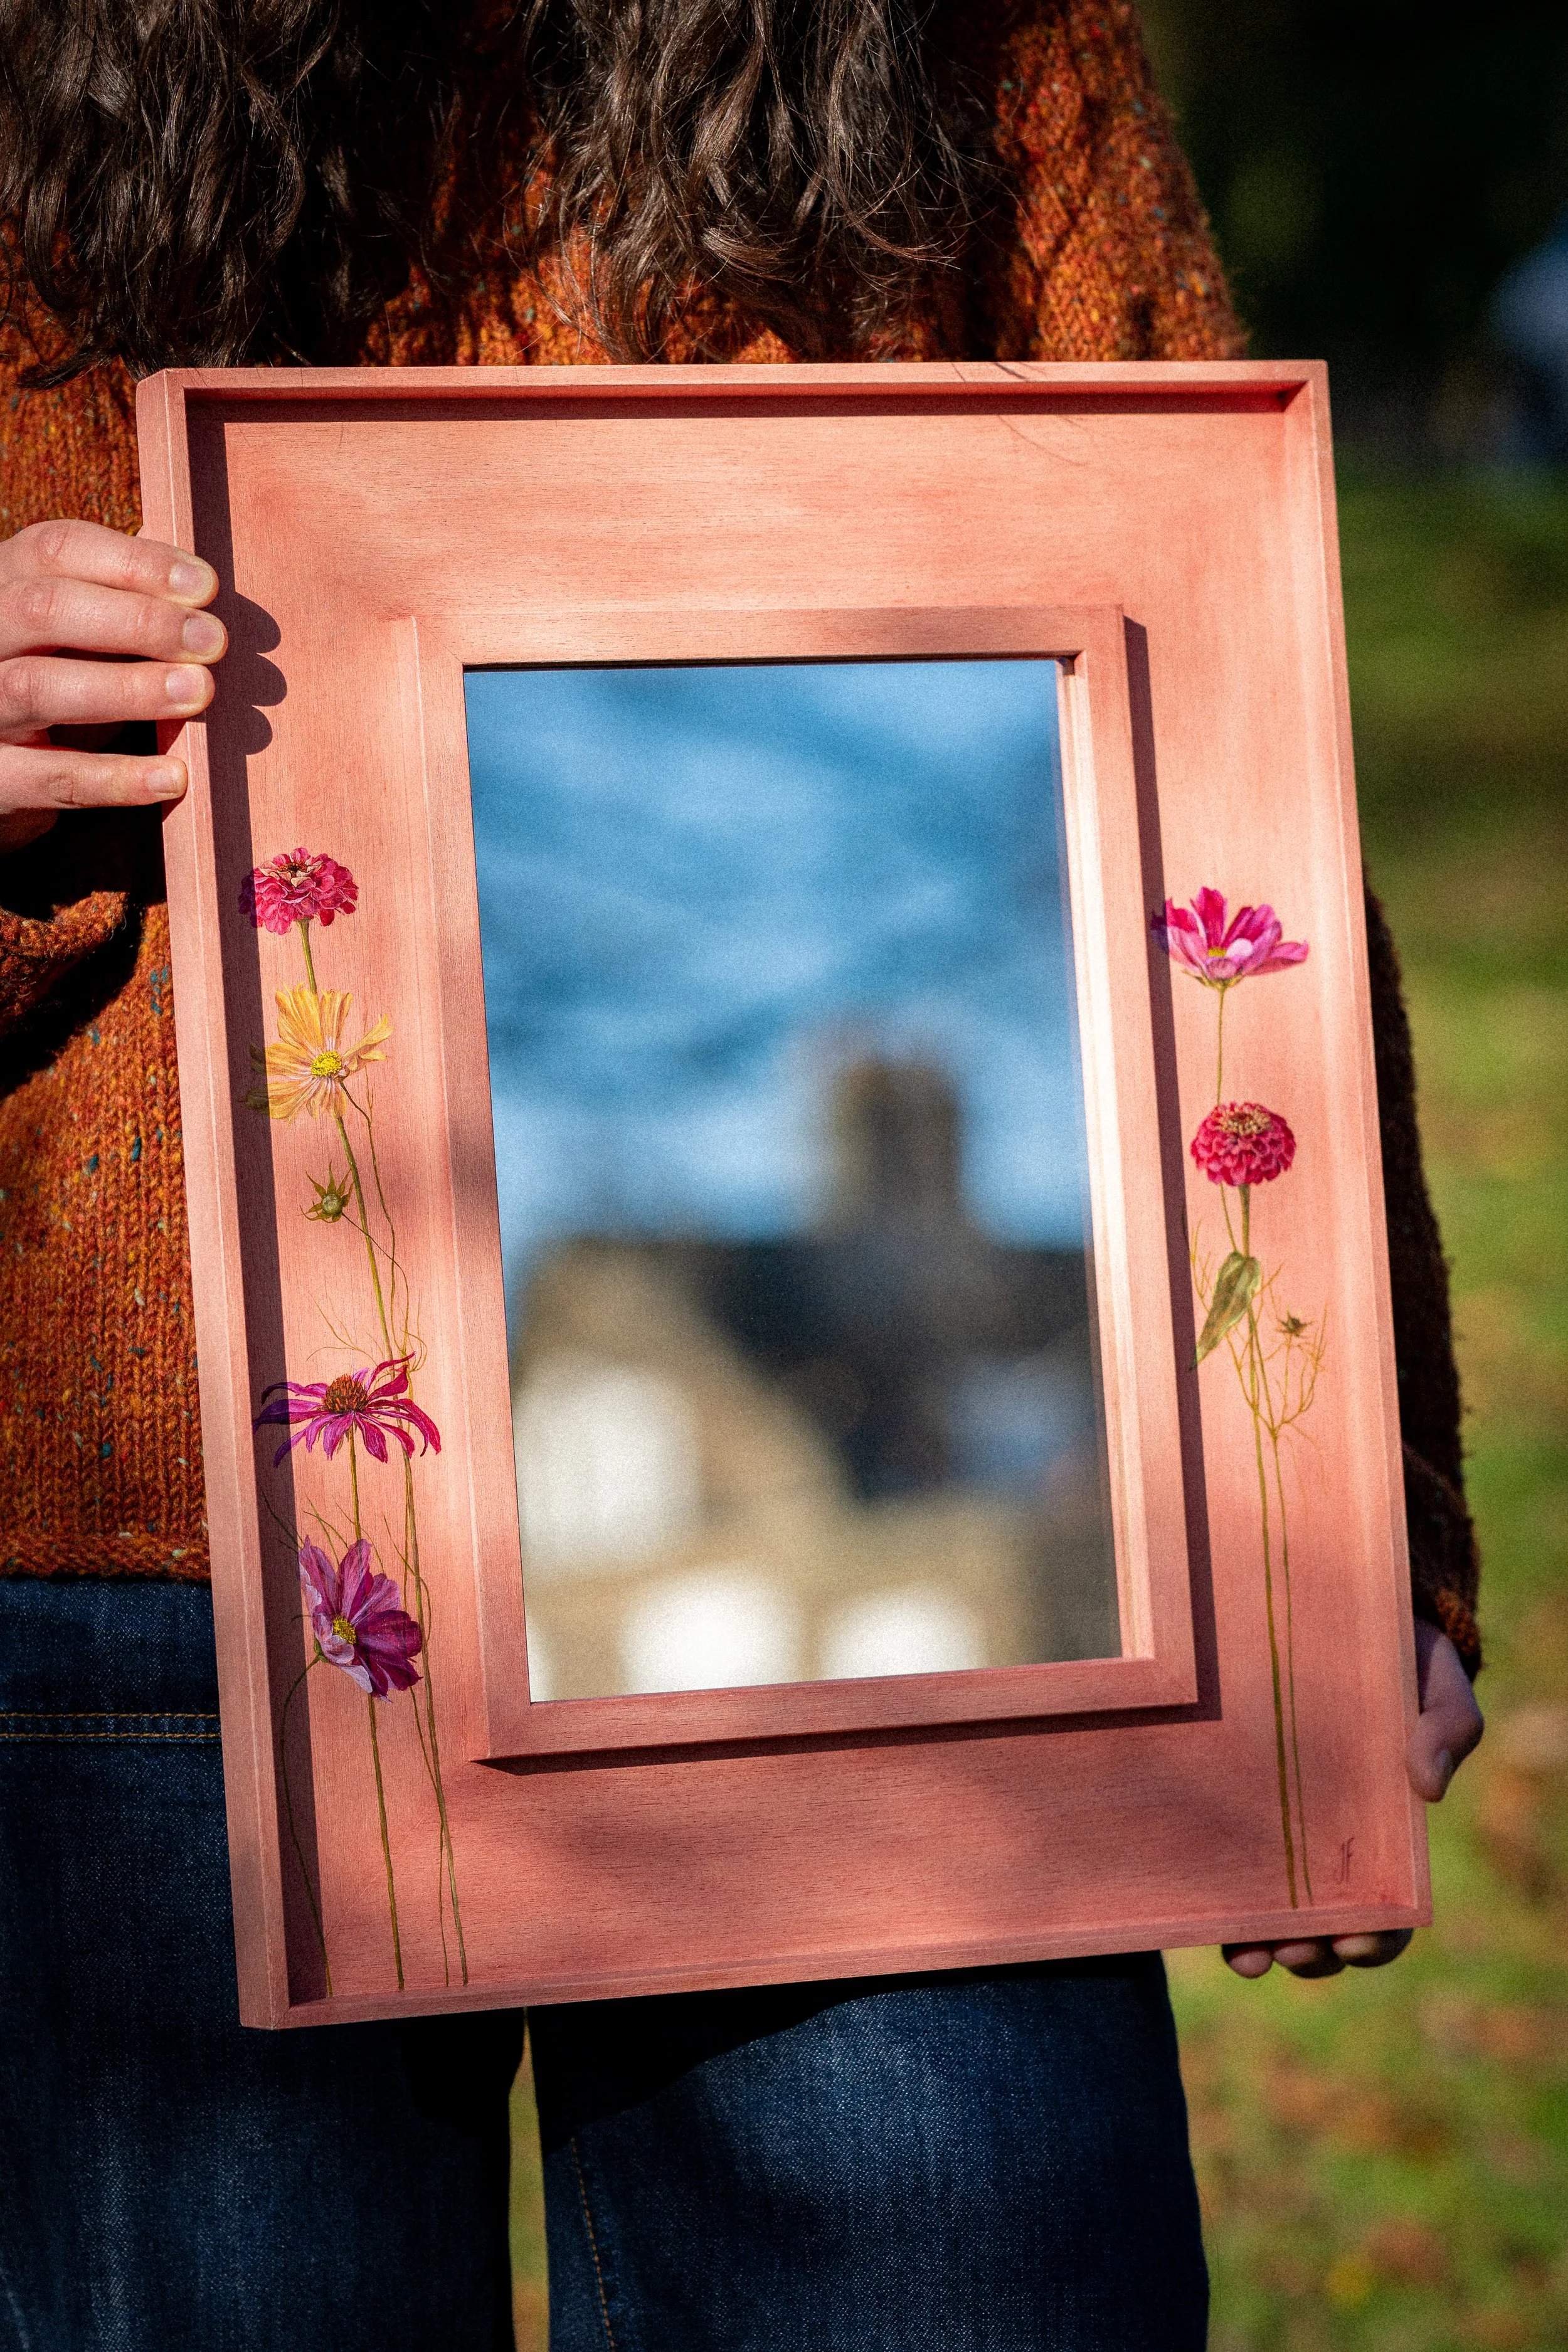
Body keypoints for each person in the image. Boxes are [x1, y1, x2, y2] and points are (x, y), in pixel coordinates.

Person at [0, 3, 1484, 2346]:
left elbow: (1215, 683)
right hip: (143, 1575)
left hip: (926, 1629)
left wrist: (1339, 1511)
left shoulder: (966, 30)